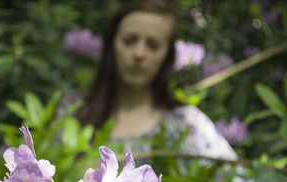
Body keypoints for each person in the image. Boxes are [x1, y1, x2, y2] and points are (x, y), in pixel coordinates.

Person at [75, 0, 237, 161]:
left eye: (153, 45)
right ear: (111, 45)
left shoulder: (187, 124)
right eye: (129, 41)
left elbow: (239, 181)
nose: (139, 53)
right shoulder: (74, 114)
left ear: (168, 56)